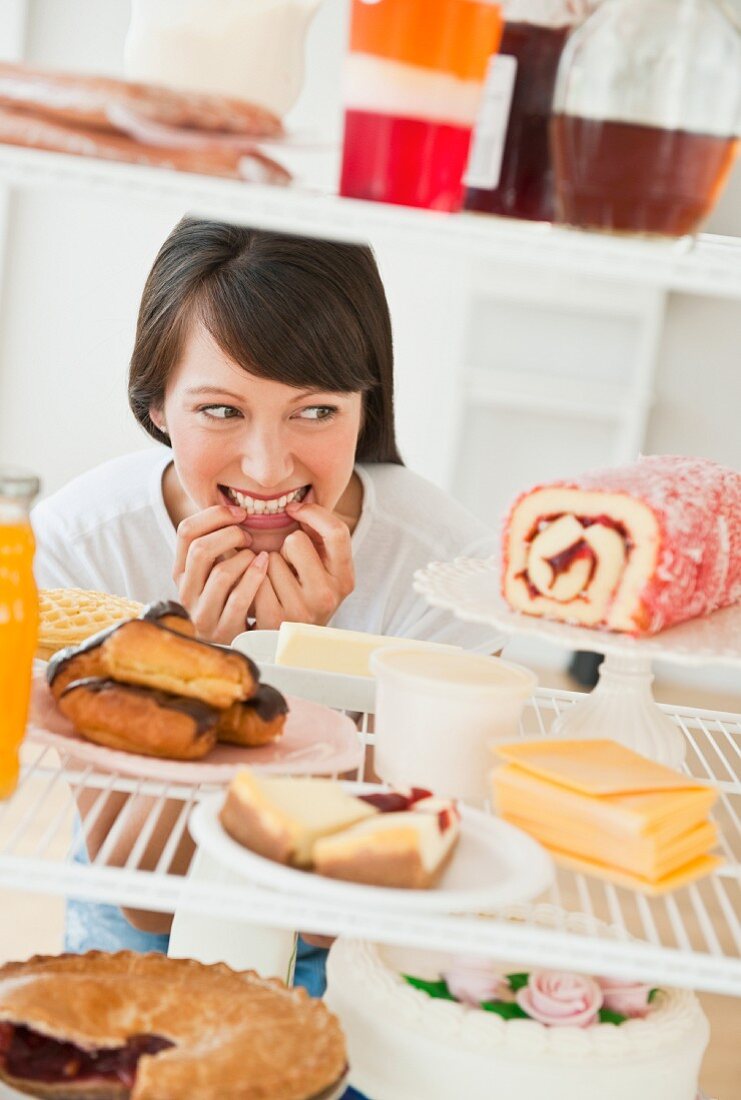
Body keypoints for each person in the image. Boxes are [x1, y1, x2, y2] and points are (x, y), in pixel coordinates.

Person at [33, 217, 502, 1002]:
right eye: (220, 410)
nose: (267, 463)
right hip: (141, 932)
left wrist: (298, 664)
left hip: (350, 952)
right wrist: (194, 667)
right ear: (155, 407)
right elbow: (145, 902)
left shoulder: (449, 572)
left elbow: (331, 918)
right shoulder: (81, 546)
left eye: (315, 411)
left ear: (365, 402)